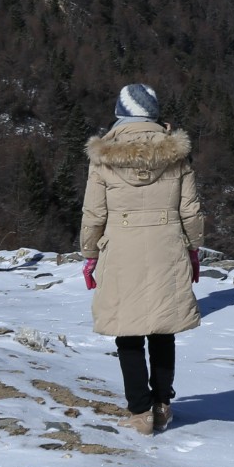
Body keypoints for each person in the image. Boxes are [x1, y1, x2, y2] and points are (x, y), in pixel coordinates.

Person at [80, 82, 203, 434]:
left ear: (120, 115)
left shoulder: (104, 155)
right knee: (162, 330)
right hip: (168, 245)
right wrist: (193, 249)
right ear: (154, 115)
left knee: (128, 330)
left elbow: (93, 213)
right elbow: (190, 210)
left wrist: (90, 254)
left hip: (120, 248)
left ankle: (140, 412)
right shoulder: (177, 153)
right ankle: (163, 405)